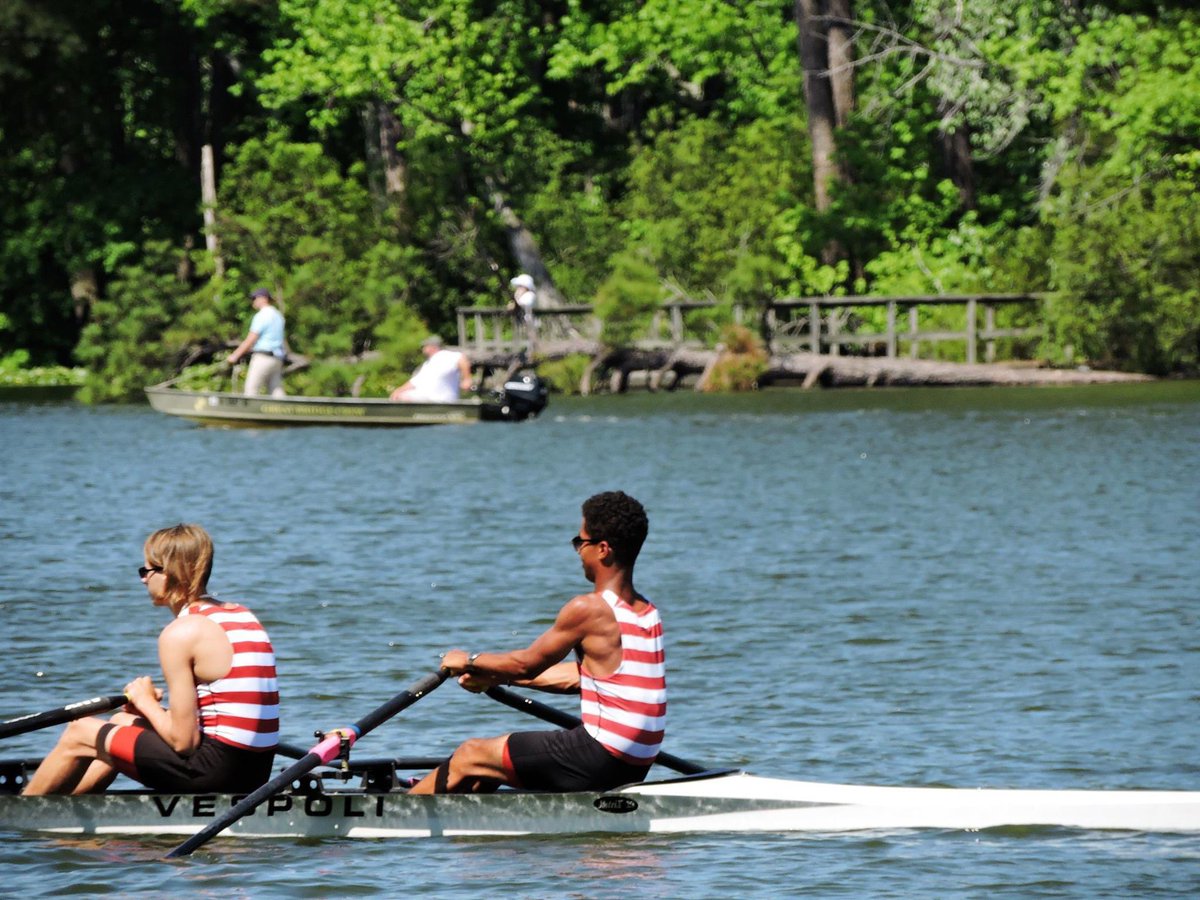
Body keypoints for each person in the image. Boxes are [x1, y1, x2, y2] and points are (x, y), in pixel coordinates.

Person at [409, 491, 665, 794]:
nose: (578, 551)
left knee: (471, 755)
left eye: (580, 542)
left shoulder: (590, 608)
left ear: (603, 549)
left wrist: (469, 660)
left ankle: (393, 817)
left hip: (599, 754)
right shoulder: (647, 613)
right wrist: (497, 677)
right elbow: (578, 678)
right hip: (635, 762)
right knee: (487, 770)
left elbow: (525, 664)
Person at [22, 524, 280, 796]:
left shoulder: (181, 633)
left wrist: (143, 699)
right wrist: (149, 713)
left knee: (80, 731)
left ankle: (18, 819)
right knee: (122, 724)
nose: (143, 579)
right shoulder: (241, 615)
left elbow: (184, 743)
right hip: (256, 770)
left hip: (215, 773)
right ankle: (68, 811)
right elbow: (220, 715)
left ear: (171, 572)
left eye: (147, 571)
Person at [227, 287, 287, 397]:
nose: (253, 301)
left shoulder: (262, 315)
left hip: (263, 358)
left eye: (255, 298)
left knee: (251, 389)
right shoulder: (278, 315)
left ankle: (248, 414)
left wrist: (235, 356)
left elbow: (250, 339)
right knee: (276, 390)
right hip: (277, 358)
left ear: (263, 299)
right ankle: (285, 413)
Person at [389, 335, 472, 403]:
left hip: (441, 400)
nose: (423, 349)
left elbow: (462, 359)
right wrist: (399, 390)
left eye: (425, 346)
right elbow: (415, 382)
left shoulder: (445, 356)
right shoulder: (428, 363)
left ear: (432, 347)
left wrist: (467, 379)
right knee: (401, 395)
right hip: (427, 399)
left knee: (401, 397)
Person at [508, 273, 537, 356]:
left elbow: (522, 305)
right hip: (524, 324)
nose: (518, 289)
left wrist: (516, 298)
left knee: (532, 345)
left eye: (520, 286)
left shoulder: (530, 295)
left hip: (531, 324)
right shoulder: (523, 296)